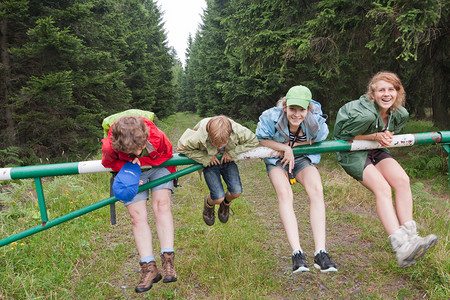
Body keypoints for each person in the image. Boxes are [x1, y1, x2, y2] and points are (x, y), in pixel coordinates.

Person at [333, 71, 438, 268]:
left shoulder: (399, 114)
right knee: (382, 188)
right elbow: (341, 137)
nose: (387, 94)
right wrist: (373, 136)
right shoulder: (363, 113)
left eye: (391, 89)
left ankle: (411, 237)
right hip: (352, 152)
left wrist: (382, 136)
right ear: (372, 94)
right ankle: (400, 247)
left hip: (376, 149)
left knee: (402, 181)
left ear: (398, 93)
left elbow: (388, 133)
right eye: (381, 90)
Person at [256, 85, 337, 273]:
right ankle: (297, 253)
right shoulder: (270, 116)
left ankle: (320, 252)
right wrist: (285, 148)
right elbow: (261, 139)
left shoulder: (315, 121)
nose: (296, 114)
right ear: (285, 107)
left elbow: (319, 139)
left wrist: (296, 145)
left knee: (316, 189)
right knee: (285, 194)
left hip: (302, 159)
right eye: (292, 109)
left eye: (301, 110)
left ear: (308, 109)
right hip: (276, 159)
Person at [101, 115, 177, 293]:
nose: (136, 152)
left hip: (159, 167)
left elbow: (167, 153)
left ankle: (168, 261)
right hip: (130, 170)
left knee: (162, 206)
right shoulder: (109, 146)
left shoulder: (157, 136)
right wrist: (129, 169)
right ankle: (149, 268)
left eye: (139, 148)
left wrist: (141, 160)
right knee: (137, 217)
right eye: (131, 150)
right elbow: (108, 163)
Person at [177, 115, 260, 226]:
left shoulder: (237, 130)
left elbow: (253, 141)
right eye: (215, 144)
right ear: (209, 136)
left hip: (227, 160)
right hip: (210, 162)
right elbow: (181, 147)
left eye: (223, 144)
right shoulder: (199, 135)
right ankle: (209, 203)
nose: (219, 146)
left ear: (230, 134)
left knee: (236, 192)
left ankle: (225, 204)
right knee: (218, 198)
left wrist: (232, 152)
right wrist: (205, 158)